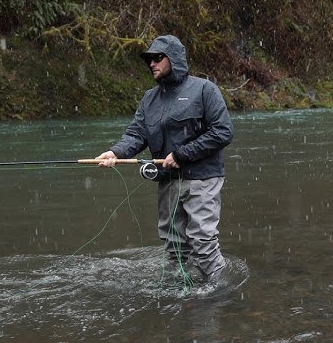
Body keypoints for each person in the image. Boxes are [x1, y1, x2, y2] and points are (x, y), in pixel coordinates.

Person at [96, 35, 233, 283]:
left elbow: (223, 132)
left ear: (175, 59)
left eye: (158, 58)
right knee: (174, 247)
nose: (152, 63)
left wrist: (182, 154)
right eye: (149, 59)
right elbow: (136, 134)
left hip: (202, 179)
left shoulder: (204, 90)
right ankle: (179, 294)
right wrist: (116, 152)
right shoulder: (149, 99)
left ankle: (220, 292)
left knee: (202, 240)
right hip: (168, 181)